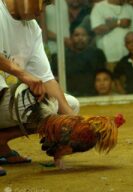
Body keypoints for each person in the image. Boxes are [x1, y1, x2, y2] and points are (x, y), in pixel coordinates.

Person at [0, 0, 79, 176]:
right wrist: (20, 72)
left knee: (67, 106)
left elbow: (47, 80)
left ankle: (1, 141)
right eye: (42, 3)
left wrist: (76, 125)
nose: (41, 11)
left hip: (3, 102)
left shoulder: (32, 29)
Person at [51, 26, 107, 96]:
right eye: (77, 35)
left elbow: (103, 77)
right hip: (69, 97)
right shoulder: (61, 57)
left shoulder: (97, 54)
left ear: (88, 38)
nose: (80, 38)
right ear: (71, 38)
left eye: (83, 35)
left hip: (93, 96)